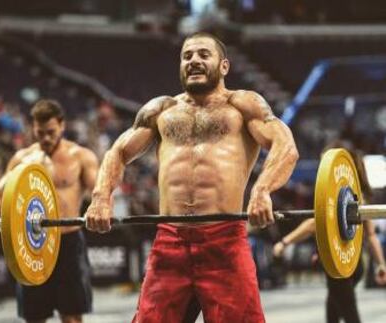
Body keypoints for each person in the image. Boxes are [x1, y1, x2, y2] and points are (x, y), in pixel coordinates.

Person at [85, 32, 299, 322]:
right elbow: (118, 152)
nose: (194, 61)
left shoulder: (243, 105)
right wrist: (101, 197)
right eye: (187, 56)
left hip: (224, 243)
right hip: (169, 243)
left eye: (203, 54)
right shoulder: (162, 110)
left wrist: (262, 191)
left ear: (224, 66)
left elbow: (285, 147)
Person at [0, 99, 99, 323]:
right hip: (32, 248)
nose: (46, 138)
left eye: (51, 132)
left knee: (71, 317)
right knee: (34, 317)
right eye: (40, 133)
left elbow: (99, 190)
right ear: (33, 128)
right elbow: (0, 192)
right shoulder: (23, 159)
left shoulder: (80, 157)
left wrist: (101, 205)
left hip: (68, 243)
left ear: (62, 125)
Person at [273, 140, 386, 323]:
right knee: (333, 311)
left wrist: (284, 242)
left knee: (350, 315)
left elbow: (313, 224)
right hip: (353, 264)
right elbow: (371, 235)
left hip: (338, 265)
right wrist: (381, 264)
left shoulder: (336, 197)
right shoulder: (357, 196)